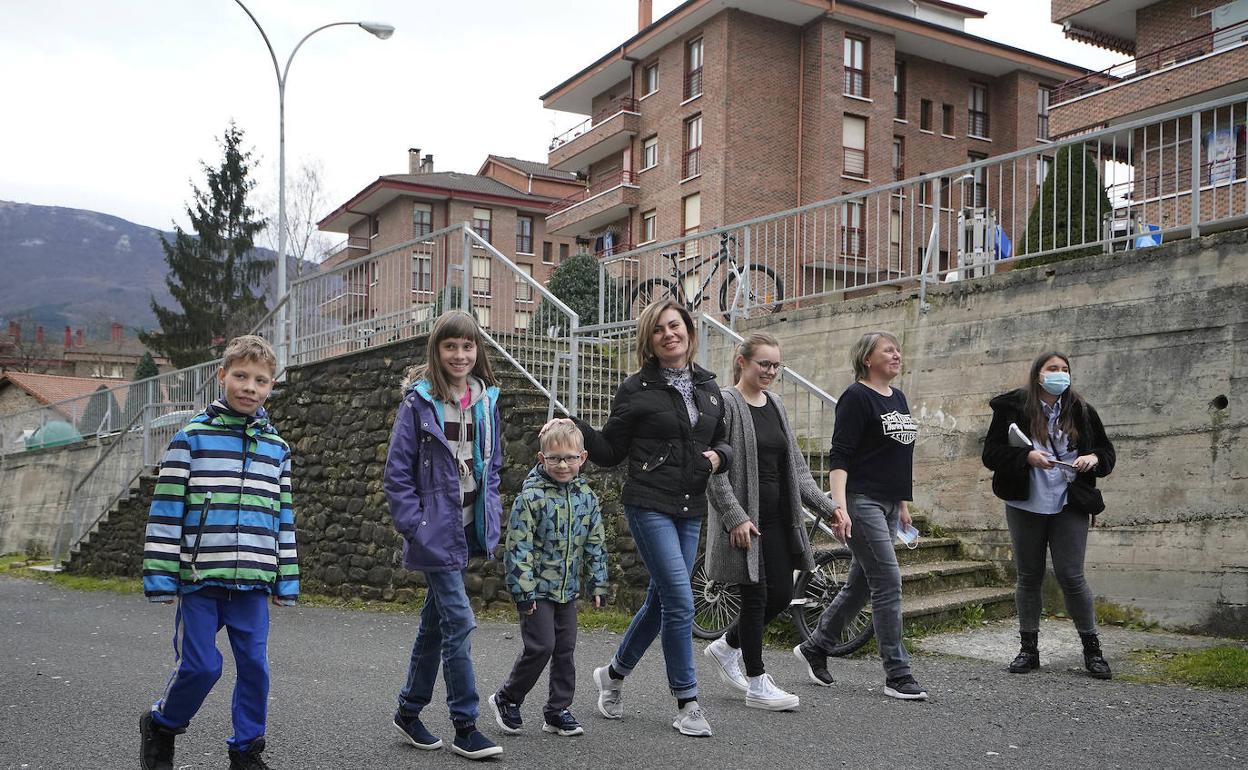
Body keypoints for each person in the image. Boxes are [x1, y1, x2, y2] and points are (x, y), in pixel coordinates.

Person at [547, 299, 732, 737]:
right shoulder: (637, 388)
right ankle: (687, 701)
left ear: (688, 330)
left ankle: (612, 675)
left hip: (690, 506)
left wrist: (717, 458)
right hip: (649, 502)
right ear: (649, 341)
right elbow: (612, 451)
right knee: (681, 601)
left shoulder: (708, 387)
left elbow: (725, 443)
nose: (670, 334)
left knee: (661, 601)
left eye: (675, 326)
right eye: (658, 330)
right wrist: (576, 425)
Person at [139, 335, 298, 770]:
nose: (250, 387)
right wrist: (160, 575)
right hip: (198, 580)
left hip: (253, 581)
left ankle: (246, 750)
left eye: (261, 380)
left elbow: (282, 518)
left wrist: (285, 578)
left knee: (255, 668)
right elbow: (166, 511)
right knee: (202, 666)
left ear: (271, 387)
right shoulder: (191, 439)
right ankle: (162, 724)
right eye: (241, 376)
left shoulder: (277, 449)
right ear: (222, 375)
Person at [704, 332, 851, 711]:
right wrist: (735, 516)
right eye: (763, 364)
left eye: (775, 365)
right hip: (744, 522)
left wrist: (829, 505)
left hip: (779, 519)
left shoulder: (778, 405)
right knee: (754, 596)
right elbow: (713, 470)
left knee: (782, 596)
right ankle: (757, 681)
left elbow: (798, 470)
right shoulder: (725, 403)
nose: (770, 371)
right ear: (742, 361)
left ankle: (726, 646)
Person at [384, 310, 504, 760]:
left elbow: (492, 467)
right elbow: (397, 475)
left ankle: (409, 710)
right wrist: (416, 526)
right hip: (433, 534)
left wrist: (490, 513)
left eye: (467, 346)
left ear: (478, 351)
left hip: (468, 528)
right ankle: (465, 725)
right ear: (436, 351)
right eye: (450, 346)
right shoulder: (418, 404)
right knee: (459, 621)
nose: (459, 354)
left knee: (435, 624)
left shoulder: (486, 400)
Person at [793, 330, 929, 701]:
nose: (897, 355)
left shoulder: (897, 397)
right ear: (868, 359)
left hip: (888, 502)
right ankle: (897, 673)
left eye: (898, 349)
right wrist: (838, 507)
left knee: (862, 585)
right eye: (889, 350)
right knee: (888, 581)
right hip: (860, 500)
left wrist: (902, 503)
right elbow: (840, 455)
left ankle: (816, 645)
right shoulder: (856, 397)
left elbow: (899, 456)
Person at [982, 351, 1116, 679]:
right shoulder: (1013, 409)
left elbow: (1107, 453)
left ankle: (1092, 650)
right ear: (1038, 375)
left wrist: (1092, 460)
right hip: (1025, 502)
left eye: (1065, 369)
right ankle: (1028, 649)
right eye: (1052, 369)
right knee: (1029, 576)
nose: (1060, 374)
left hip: (1069, 503)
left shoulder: (1082, 411)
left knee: (1072, 576)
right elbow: (991, 454)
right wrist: (1026, 456)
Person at [489, 421, 609, 738]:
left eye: (570, 458)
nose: (562, 465)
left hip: (567, 591)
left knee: (565, 650)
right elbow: (518, 547)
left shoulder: (587, 497)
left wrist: (598, 583)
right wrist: (522, 590)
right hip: (536, 590)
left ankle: (557, 710)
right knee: (541, 646)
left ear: (582, 458)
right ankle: (507, 698)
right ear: (542, 459)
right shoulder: (530, 498)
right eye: (554, 458)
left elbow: (595, 544)